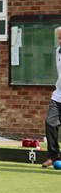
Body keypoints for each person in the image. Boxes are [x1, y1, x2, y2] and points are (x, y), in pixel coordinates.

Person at [43, 26, 61, 167]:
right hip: (58, 96)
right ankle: (54, 155)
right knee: (50, 122)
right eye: (58, 38)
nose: (59, 40)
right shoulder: (58, 51)